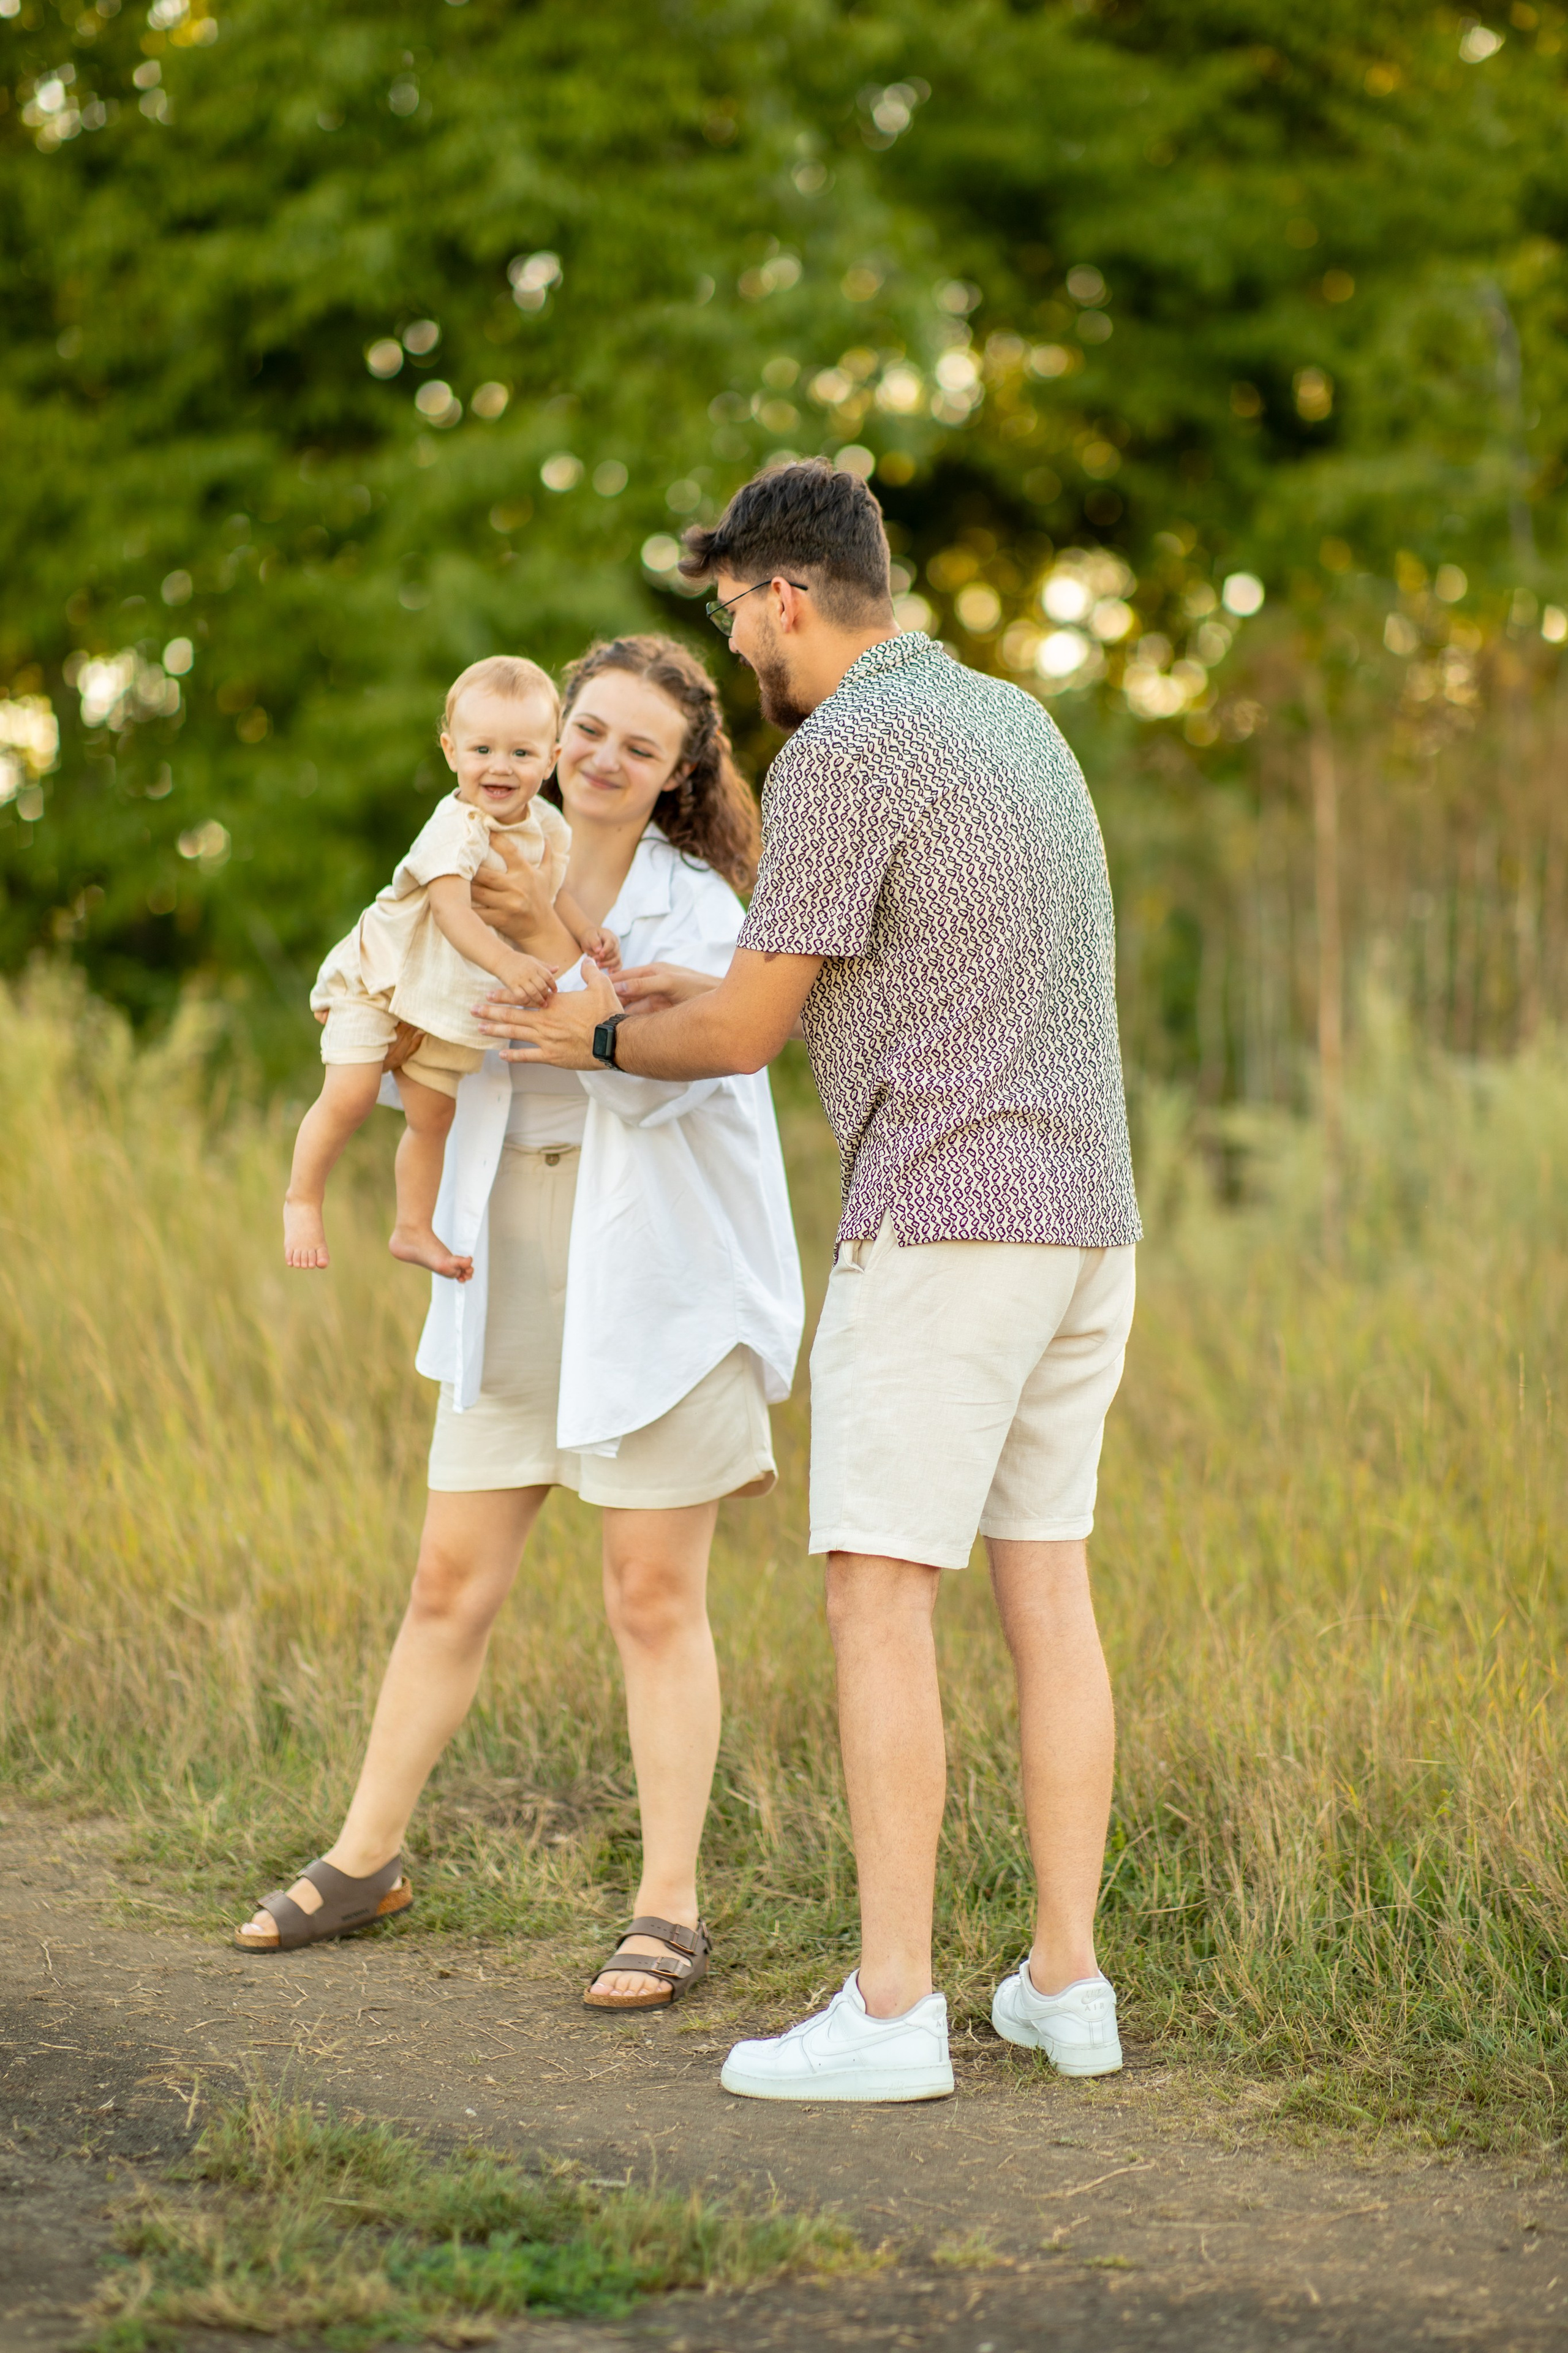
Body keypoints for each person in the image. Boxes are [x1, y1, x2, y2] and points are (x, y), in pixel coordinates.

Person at [482, 461, 1142, 2100]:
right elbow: (864, 965)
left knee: (873, 1591)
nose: (738, 650)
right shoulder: (1010, 723)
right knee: (1045, 1588)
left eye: (731, 615)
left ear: (784, 593)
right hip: (1086, 1219)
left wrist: (597, 1030)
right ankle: (1068, 1986)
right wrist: (690, 986)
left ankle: (896, 2008)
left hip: (946, 1225)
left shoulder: (845, 745)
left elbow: (749, 1032)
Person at [240, 635, 804, 2012]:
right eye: (587, 731)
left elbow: (636, 1061)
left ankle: (667, 1906)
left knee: (650, 1598)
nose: (603, 758)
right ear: (551, 737)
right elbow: (428, 1025)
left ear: (677, 775)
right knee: (449, 1581)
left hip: (660, 1280)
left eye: (638, 746)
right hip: (512, 1257)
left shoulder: (701, 911)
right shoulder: (483, 852)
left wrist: (557, 964)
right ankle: (366, 1857)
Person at [284, 655, 619, 1283]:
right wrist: (509, 960)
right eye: (482, 748)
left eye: (521, 753)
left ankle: (412, 1226)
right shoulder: (456, 825)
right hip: (383, 978)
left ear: (550, 757)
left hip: (445, 1000)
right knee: (351, 1093)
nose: (499, 766)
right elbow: (452, 911)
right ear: (449, 750)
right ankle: (302, 1197)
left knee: (434, 1118)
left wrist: (586, 932)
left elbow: (554, 891)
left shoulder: (546, 825)